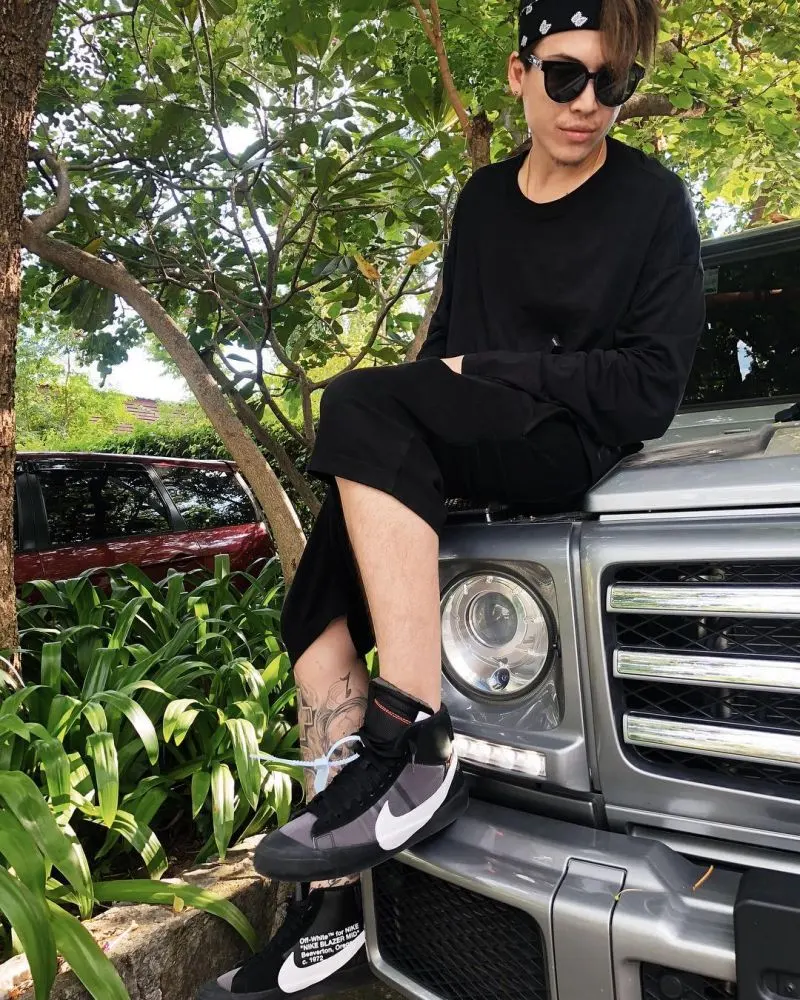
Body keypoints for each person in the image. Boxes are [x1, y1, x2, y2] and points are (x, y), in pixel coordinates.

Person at [199, 0, 705, 995]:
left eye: (611, 82)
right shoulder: (481, 201)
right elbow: (442, 356)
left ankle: (414, 742)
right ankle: (332, 907)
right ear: (518, 74)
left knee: (357, 400)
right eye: (565, 75)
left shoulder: (651, 201)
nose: (587, 102)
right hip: (472, 434)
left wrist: (488, 372)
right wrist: (439, 386)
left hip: (567, 440)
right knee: (313, 612)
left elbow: (649, 390)